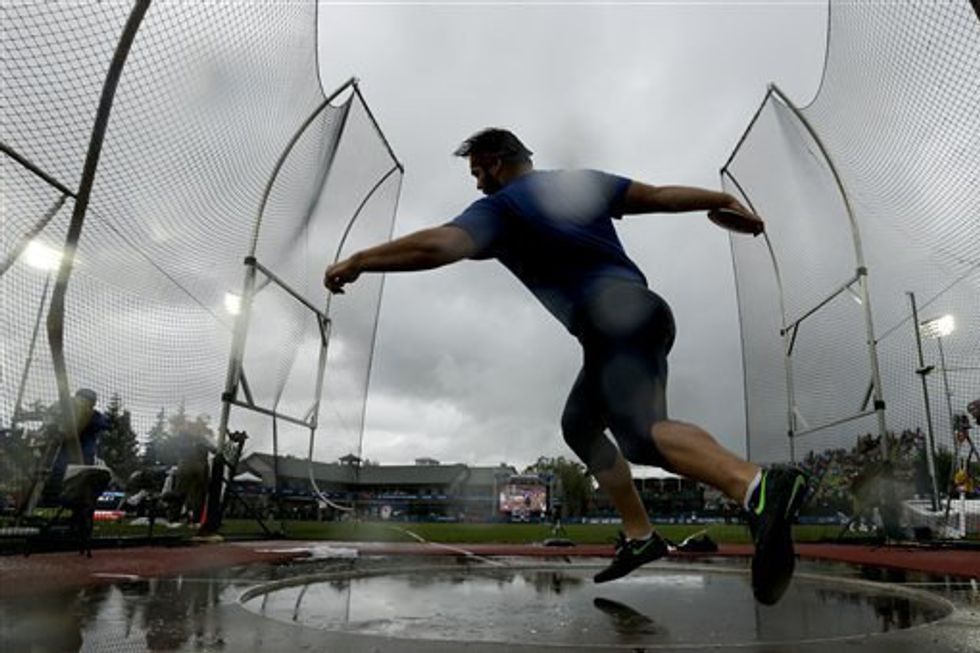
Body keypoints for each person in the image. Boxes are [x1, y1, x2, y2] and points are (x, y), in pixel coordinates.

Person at [324, 128, 810, 605]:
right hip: (641, 316)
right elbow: (660, 196)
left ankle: (755, 484)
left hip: (615, 322)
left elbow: (437, 245)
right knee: (579, 424)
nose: (476, 184)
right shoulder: (579, 184)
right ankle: (641, 536)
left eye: (477, 173)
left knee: (641, 435)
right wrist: (719, 198)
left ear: (495, 163)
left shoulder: (503, 207)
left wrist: (362, 259)